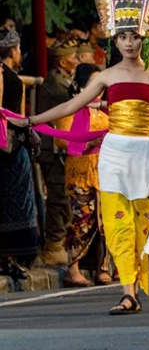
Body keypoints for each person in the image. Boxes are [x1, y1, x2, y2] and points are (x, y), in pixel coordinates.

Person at [10, 0, 149, 314]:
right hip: (113, 154)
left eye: (135, 37)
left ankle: (135, 282)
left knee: (141, 223)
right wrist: (30, 119)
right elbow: (71, 105)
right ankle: (128, 291)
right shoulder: (106, 78)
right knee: (117, 223)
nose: (129, 42)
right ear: (115, 40)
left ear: (144, 38)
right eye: (123, 37)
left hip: (145, 153)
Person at [52, 63, 112, 287]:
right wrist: (88, 143)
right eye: (94, 84)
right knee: (82, 220)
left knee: (104, 221)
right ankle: (73, 268)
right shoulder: (71, 108)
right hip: (80, 172)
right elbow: (60, 140)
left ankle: (102, 268)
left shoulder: (105, 110)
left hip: (104, 171)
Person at [0, 27, 38, 280]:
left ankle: (9, 258)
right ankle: (6, 257)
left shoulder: (10, 73)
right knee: (9, 201)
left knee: (15, 201)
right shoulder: (2, 72)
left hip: (17, 139)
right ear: (13, 50)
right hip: (7, 144)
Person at [38, 39, 79, 266]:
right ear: (64, 61)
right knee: (58, 196)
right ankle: (53, 246)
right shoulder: (56, 82)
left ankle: (59, 243)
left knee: (64, 195)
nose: (76, 59)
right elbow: (73, 103)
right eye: (74, 56)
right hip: (53, 148)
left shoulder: (63, 79)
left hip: (62, 146)